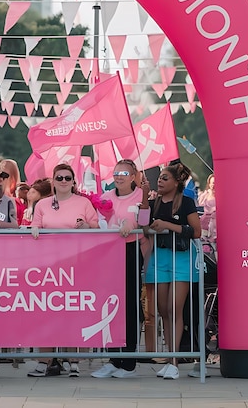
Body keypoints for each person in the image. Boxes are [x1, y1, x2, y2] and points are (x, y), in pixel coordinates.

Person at [28, 163, 99, 378]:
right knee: (46, 312)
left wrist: (87, 227)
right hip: (49, 266)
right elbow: (35, 227)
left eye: (68, 178)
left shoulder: (84, 203)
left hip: (78, 265)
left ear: (74, 181)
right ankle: (44, 360)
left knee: (75, 311)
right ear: (53, 181)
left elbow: (96, 228)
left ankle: (74, 359)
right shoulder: (42, 204)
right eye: (59, 178)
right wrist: (34, 229)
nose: (64, 182)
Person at [91, 159, 150, 379]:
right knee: (110, 305)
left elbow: (145, 221)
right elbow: (98, 221)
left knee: (130, 306)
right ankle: (113, 359)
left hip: (130, 251)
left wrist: (132, 225)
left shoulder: (140, 195)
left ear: (134, 176)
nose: (119, 176)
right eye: (116, 172)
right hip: (108, 255)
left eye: (125, 172)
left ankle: (129, 362)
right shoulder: (106, 197)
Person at [144, 162, 201, 380]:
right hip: (160, 257)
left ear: (176, 183)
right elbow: (144, 226)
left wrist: (169, 226)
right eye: (159, 178)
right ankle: (169, 357)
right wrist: (142, 197)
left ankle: (175, 361)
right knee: (163, 310)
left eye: (165, 178)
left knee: (175, 308)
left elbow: (196, 231)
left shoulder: (186, 202)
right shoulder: (152, 203)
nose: (160, 181)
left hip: (182, 258)